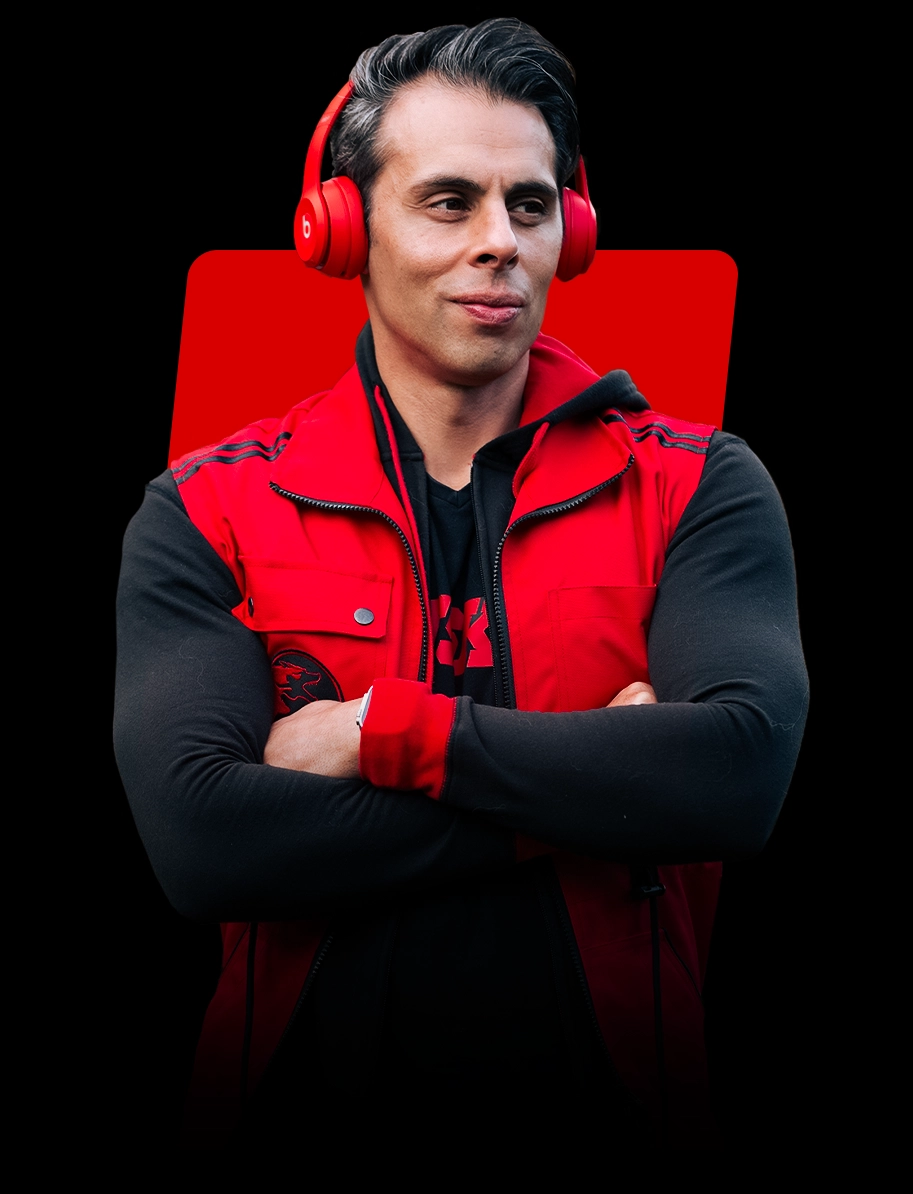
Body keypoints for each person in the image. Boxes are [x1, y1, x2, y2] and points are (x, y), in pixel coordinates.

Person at [114, 19, 808, 1152]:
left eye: (529, 206)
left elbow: (734, 781)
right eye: (448, 202)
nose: (499, 242)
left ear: (570, 232)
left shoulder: (698, 484)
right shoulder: (208, 509)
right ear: (342, 228)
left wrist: (386, 733)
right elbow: (206, 846)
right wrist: (601, 788)